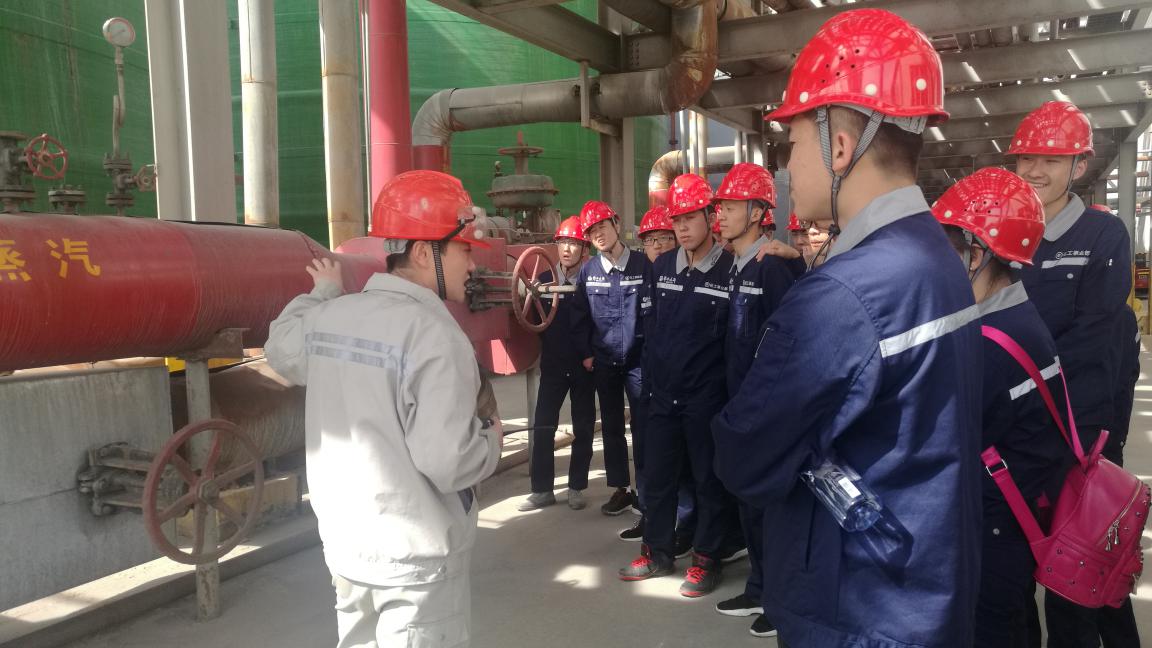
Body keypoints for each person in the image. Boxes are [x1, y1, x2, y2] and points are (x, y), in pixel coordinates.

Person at [712, 9, 983, 647]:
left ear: (839, 147)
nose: (787, 167)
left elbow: (744, 458)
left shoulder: (843, 295)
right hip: (925, 587)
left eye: (792, 144)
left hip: (858, 610)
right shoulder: (940, 259)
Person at [266, 170, 503, 648]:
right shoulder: (436, 336)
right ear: (423, 253)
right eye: (464, 249)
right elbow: (448, 463)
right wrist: (491, 439)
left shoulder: (331, 316)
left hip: (347, 549)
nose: (473, 263)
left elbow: (279, 348)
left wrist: (323, 291)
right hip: (415, 563)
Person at [1007, 101, 1141, 648]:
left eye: (1051, 159)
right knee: (1018, 562)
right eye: (1026, 158)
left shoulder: (1102, 235)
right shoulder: (1008, 231)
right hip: (1018, 426)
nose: (1034, 170)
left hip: (1079, 428)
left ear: (1079, 166)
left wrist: (1021, 382)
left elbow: (1093, 338)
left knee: (1082, 570)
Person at [932, 167, 1074, 647]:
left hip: (993, 529)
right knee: (1016, 620)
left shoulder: (988, 345)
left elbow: (943, 443)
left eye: (945, 251)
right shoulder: (1019, 314)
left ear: (976, 255)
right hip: (1022, 513)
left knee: (992, 627)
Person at [619, 173, 737, 599]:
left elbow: (733, 343)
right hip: (662, 396)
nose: (682, 228)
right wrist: (649, 390)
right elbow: (651, 332)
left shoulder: (730, 270)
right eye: (677, 220)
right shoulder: (662, 267)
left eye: (690, 218)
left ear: (709, 216)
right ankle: (657, 552)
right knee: (658, 479)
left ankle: (707, 558)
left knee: (707, 480)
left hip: (706, 398)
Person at [712, 162, 795, 638]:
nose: (721, 214)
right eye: (720, 207)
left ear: (760, 212)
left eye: (731, 206)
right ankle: (759, 587)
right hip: (738, 405)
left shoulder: (774, 268)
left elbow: (786, 345)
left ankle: (779, 602)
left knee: (768, 510)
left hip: (763, 411)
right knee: (748, 504)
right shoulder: (736, 266)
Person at [571, 200, 647, 516]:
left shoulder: (643, 266)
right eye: (592, 231)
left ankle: (644, 490)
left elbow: (654, 313)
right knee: (612, 426)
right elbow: (579, 316)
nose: (599, 234)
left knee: (643, 425)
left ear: (616, 224)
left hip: (639, 361)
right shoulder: (589, 272)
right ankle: (621, 489)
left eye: (602, 226)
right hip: (604, 361)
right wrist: (587, 354)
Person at [519, 216, 596, 512]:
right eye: (562, 242)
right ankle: (542, 490)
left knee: (584, 427)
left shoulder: (592, 281)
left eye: (573, 243)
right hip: (552, 365)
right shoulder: (542, 283)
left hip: (584, 366)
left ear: (584, 249)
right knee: (543, 426)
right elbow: (533, 320)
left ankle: (576, 487)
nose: (566, 249)